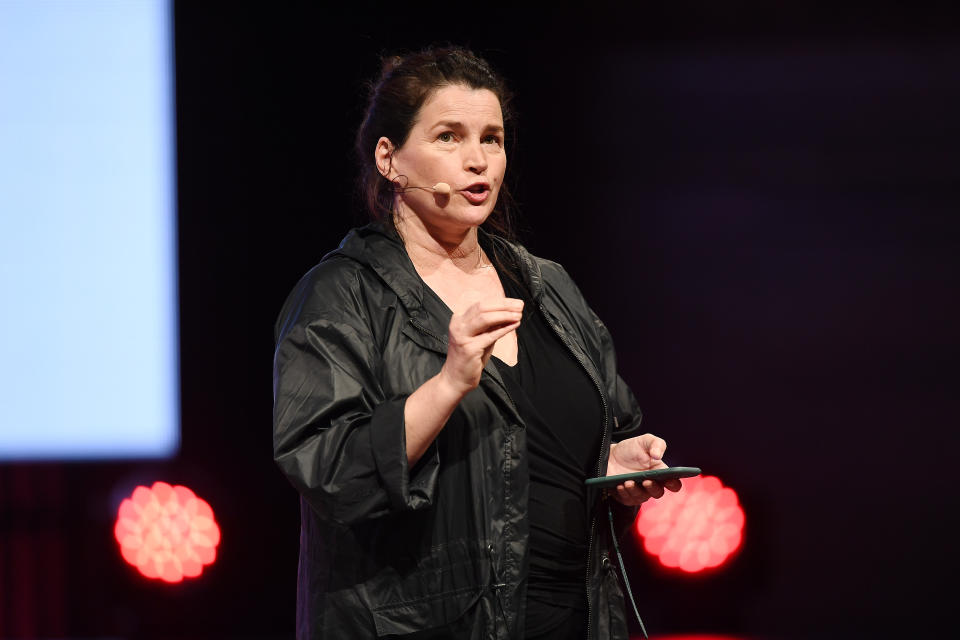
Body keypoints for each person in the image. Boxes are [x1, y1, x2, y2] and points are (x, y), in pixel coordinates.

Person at [272, 46, 681, 640]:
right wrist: (447, 384)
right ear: (390, 159)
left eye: (492, 138)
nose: (477, 160)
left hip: (573, 619)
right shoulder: (343, 293)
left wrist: (614, 468)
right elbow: (326, 466)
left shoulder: (547, 285)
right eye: (448, 137)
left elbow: (599, 430)